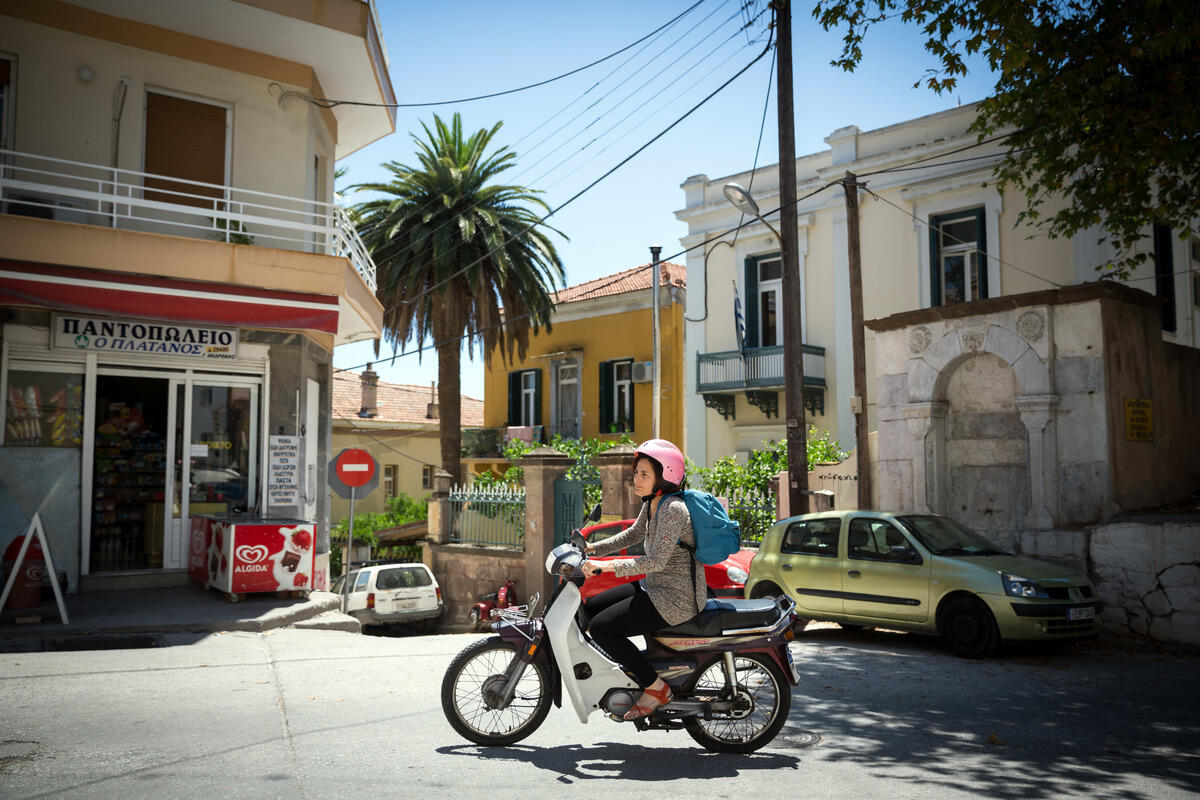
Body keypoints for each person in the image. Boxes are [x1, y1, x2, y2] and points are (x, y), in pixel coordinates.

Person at [582, 438, 705, 720]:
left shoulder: (673, 510)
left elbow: (656, 561)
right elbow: (634, 534)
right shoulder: (653, 502)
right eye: (636, 472)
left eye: (644, 474)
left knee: (601, 629)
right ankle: (624, 668)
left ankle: (655, 687)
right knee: (591, 608)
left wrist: (605, 567)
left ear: (665, 476)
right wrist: (592, 548)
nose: (636, 479)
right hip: (656, 585)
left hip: (675, 598)